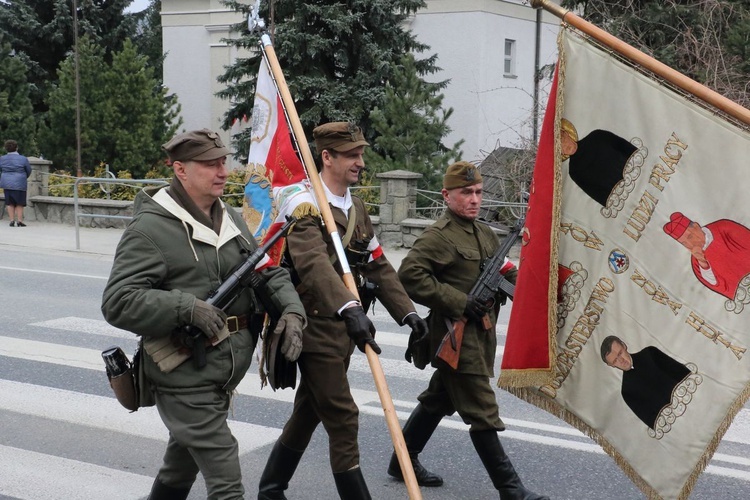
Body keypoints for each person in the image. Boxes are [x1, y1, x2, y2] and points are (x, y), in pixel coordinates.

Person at [101, 129, 306, 500]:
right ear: (180, 169)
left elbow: (262, 271)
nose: (223, 171)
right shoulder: (150, 228)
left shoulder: (229, 218)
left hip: (220, 371)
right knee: (226, 480)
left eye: (223, 161)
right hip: (182, 372)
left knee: (180, 466)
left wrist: (291, 310)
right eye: (210, 164)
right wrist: (186, 308)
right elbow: (118, 300)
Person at [257, 122, 428, 500]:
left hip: (344, 332)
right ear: (327, 157)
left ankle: (270, 490)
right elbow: (313, 263)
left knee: (309, 411)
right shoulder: (303, 203)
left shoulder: (356, 207)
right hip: (313, 327)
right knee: (342, 417)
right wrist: (350, 307)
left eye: (361, 154)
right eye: (352, 155)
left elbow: (377, 263)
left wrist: (409, 314)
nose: (360, 162)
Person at [396, 161, 548, 500]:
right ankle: (511, 489)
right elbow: (409, 275)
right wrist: (459, 301)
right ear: (446, 195)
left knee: (439, 399)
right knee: (482, 410)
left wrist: (537, 290)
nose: (474, 199)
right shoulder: (438, 236)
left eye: (478, 192)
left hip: (480, 333)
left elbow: (507, 273)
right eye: (466, 193)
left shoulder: (485, 233)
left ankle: (401, 460)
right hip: (455, 334)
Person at [601, 336, 696, 432]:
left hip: (694, 398)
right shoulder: (627, 391)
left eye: (620, 353)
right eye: (615, 360)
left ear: (624, 345)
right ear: (611, 365)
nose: (621, 360)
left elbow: (684, 375)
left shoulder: (650, 353)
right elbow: (655, 423)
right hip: (679, 426)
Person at [663, 211, 750, 301]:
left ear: (696, 226)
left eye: (690, 237)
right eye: (684, 243)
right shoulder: (696, 261)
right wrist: (703, 262)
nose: (690, 244)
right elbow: (717, 286)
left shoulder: (723, 227)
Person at [0, 139, 32, 227]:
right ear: (16, 148)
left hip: (7, 183)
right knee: (19, 202)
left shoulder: (2, 159)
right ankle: (20, 221)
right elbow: (28, 170)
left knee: (9, 202)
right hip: (19, 183)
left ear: (5, 148)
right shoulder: (23, 159)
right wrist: (23, 177)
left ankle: (11, 220)